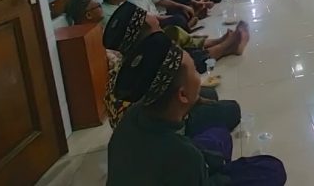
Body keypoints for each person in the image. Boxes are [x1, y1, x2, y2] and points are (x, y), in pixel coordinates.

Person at [107, 32, 286, 186]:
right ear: (182, 95)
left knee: (221, 135)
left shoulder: (134, 115)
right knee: (272, 169)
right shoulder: (185, 156)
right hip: (186, 170)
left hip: (167, 167)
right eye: (194, 70)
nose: (199, 76)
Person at [103, 3, 248, 134]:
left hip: (158, 111)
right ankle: (229, 46)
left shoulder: (135, 61)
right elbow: (166, 107)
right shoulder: (150, 65)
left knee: (209, 93)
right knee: (232, 110)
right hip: (155, 130)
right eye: (149, 15)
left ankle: (229, 46)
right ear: (145, 26)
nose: (156, 18)